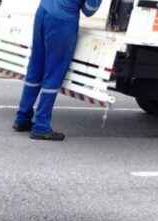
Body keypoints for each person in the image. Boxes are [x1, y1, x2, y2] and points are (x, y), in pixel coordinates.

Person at [13, 0, 103, 141]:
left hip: (43, 11)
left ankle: (22, 118)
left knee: (36, 67)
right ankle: (41, 126)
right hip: (62, 19)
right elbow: (89, 10)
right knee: (54, 72)